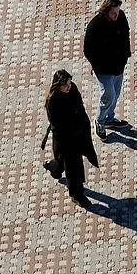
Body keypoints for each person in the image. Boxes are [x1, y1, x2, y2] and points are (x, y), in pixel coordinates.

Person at [42, 70, 97, 208]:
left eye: (70, 83)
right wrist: (71, 131)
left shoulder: (73, 90)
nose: (69, 87)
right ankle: (76, 194)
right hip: (64, 139)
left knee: (62, 162)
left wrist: (83, 125)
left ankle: (52, 167)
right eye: (65, 85)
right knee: (73, 166)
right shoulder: (52, 100)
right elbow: (56, 125)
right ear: (58, 85)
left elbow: (80, 106)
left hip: (77, 134)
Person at [84, 0, 131, 131]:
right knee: (108, 96)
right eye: (113, 13)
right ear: (106, 11)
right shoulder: (95, 26)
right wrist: (97, 66)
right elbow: (88, 50)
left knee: (115, 95)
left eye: (118, 11)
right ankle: (100, 121)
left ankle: (110, 118)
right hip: (104, 70)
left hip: (118, 66)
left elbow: (125, 36)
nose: (117, 15)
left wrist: (125, 56)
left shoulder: (121, 17)